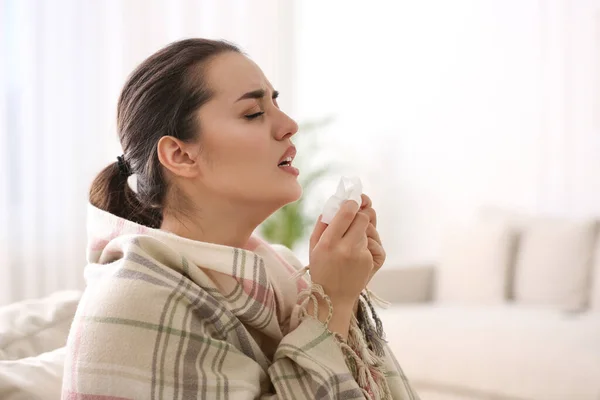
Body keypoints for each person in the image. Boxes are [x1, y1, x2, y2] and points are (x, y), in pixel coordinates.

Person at [61, 38, 419, 400]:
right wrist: (332, 304)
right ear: (181, 155)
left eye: (276, 103)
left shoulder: (284, 274)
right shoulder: (137, 300)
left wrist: (344, 293)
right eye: (253, 113)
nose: (289, 125)